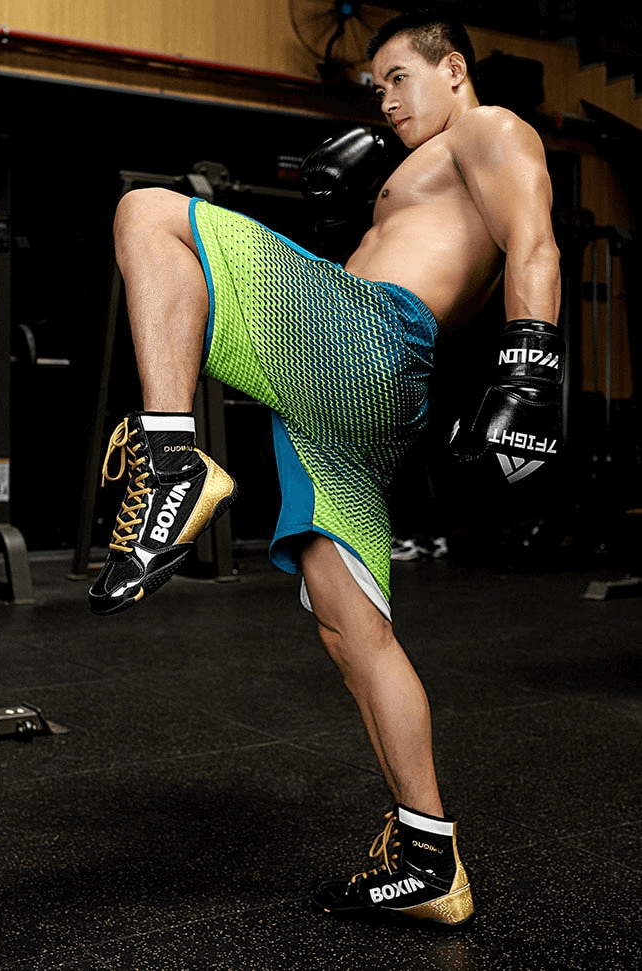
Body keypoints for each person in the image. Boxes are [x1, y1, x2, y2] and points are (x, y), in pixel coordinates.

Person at [88, 11, 563, 928]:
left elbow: (535, 239)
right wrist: (352, 216)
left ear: (454, 68)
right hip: (351, 398)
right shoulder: (417, 171)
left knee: (147, 214)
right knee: (355, 633)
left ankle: (171, 458)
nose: (384, 102)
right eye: (374, 88)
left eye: (397, 78)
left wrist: (532, 363)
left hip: (374, 341)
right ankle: (429, 853)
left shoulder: (490, 127)